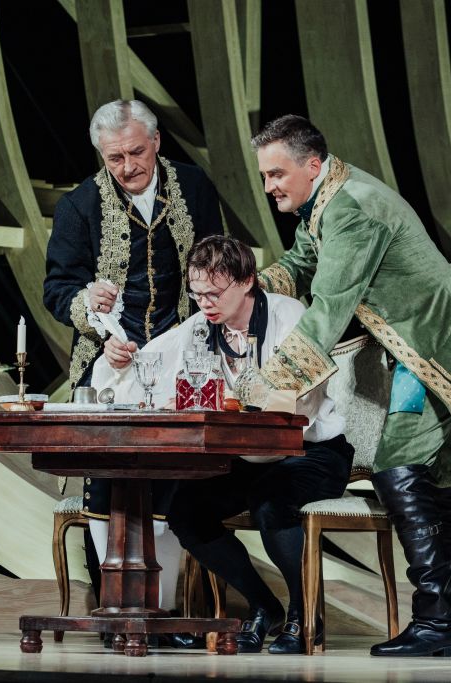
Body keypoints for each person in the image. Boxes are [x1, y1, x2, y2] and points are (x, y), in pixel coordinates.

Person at [238, 115, 451, 657]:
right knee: (449, 480)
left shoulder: (350, 209)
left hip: (434, 346)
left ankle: (436, 621)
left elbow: (328, 309)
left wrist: (265, 386)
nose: (269, 187)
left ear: (312, 164)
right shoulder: (326, 199)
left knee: (396, 466)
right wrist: (247, 289)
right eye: (265, 176)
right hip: (423, 347)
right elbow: (303, 263)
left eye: (276, 174)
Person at [92, 235, 354, 654]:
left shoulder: (289, 315)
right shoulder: (201, 326)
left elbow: (301, 399)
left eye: (214, 294)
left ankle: (305, 615)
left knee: (271, 501)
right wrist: (117, 358)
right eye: (197, 295)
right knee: (186, 512)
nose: (205, 304)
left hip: (311, 451)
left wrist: (238, 398)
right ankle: (263, 605)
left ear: (247, 281)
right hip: (250, 456)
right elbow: (149, 362)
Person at [43, 100, 223, 646]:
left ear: (157, 142)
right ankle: (115, 613)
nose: (127, 167)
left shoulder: (194, 186)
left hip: (182, 358)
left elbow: (220, 259)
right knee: (109, 481)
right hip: (109, 362)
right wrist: (86, 301)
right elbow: (57, 289)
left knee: (172, 482)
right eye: (114, 158)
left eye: (136, 153)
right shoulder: (79, 206)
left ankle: (162, 614)